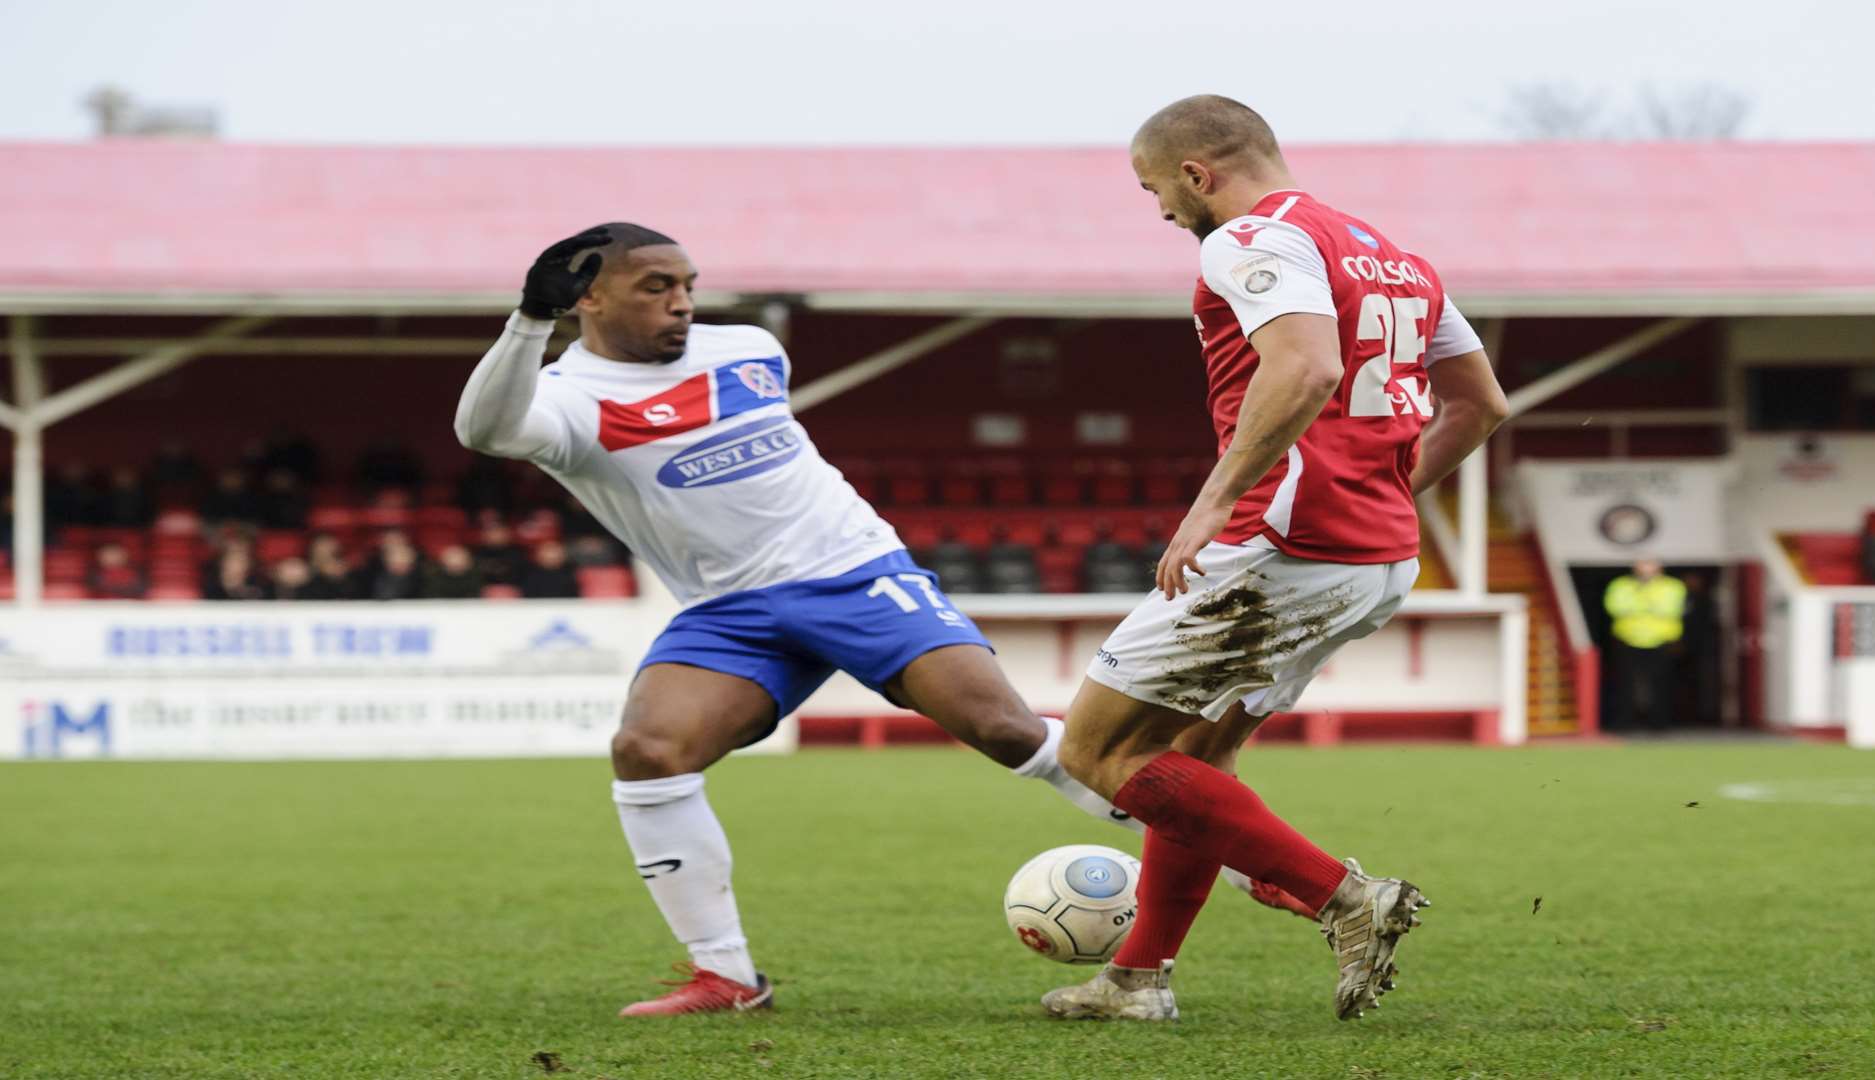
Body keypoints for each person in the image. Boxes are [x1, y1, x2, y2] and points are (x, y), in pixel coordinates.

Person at [455, 223, 1291, 1018]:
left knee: (1004, 728)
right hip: (728, 611)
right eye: (655, 287)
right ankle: (725, 974)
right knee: (648, 751)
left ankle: (1254, 865)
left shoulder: (748, 351)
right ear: (588, 300)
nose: (681, 302)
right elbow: (483, 430)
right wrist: (530, 321)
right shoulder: (564, 400)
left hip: (852, 572)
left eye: (687, 285)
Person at [1041, 96, 1509, 1023]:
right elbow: (1482, 404)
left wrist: (1209, 507)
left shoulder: (1250, 238)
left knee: (1095, 747)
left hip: (1277, 543)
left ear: (1197, 174)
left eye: (1159, 193)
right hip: (1372, 554)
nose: (1167, 216)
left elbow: (1304, 369)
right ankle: (1136, 983)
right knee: (1193, 760)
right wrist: (1382, 487)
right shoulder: (1395, 257)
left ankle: (1346, 897)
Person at [1603, 558, 1688, 732]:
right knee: (1624, 684)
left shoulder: (1673, 586)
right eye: (1642, 564)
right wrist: (1649, 606)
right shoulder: (1620, 585)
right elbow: (1615, 607)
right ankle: (1624, 723)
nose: (1645, 569)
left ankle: (1660, 724)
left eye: (1650, 564)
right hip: (1627, 640)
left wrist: (1637, 604)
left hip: (1662, 641)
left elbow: (1671, 609)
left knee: (1661, 684)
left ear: (1660, 567)